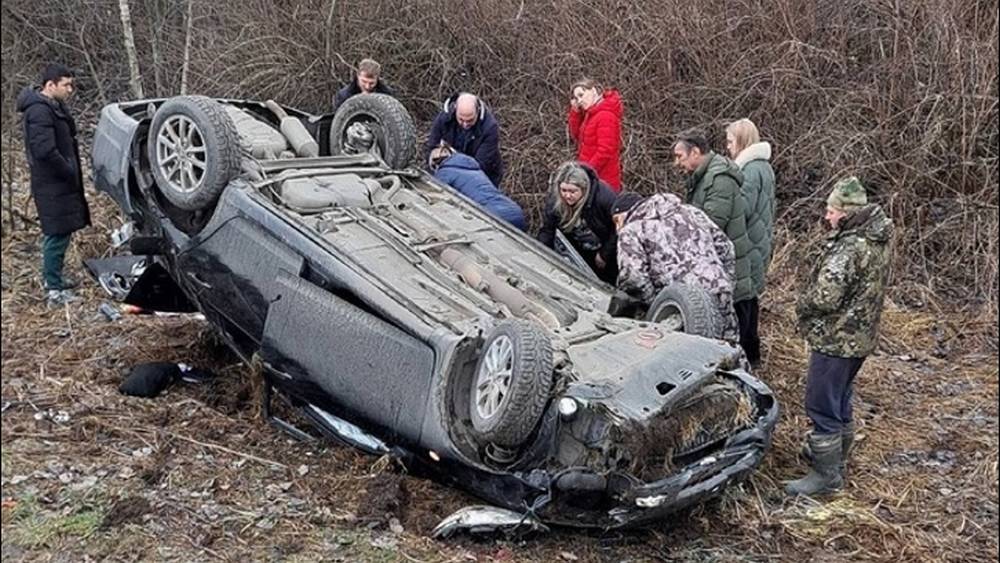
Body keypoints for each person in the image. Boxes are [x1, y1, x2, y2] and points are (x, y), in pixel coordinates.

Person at [786, 177, 893, 497]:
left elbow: (825, 297)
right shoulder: (878, 238)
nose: (827, 217)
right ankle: (838, 461)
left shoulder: (848, 248)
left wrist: (801, 305)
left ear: (846, 214)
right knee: (841, 399)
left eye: (832, 212)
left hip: (836, 338)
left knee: (820, 403)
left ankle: (826, 477)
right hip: (860, 337)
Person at [613, 192, 739, 341]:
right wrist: (725, 280)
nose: (616, 227)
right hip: (718, 289)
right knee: (726, 350)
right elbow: (725, 247)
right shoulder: (692, 212)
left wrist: (655, 305)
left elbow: (633, 277)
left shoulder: (631, 231)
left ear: (626, 213)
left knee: (686, 357)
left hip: (679, 307)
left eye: (616, 220)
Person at [16, 63, 90, 307]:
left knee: (63, 230)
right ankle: (53, 289)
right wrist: (68, 169)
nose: (70, 89)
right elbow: (44, 150)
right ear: (51, 85)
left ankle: (55, 278)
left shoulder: (52, 106)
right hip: (52, 183)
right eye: (66, 85)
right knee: (56, 233)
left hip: (59, 182)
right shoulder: (39, 111)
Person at [673, 129, 754, 336]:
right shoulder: (702, 176)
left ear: (695, 152)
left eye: (679, 156)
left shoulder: (718, 179)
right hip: (721, 261)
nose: (677, 163)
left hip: (730, 262)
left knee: (737, 318)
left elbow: (712, 223)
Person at [726, 118, 776, 366]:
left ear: (742, 142)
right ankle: (752, 353)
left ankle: (746, 354)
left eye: (730, 141)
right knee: (751, 298)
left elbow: (742, 208)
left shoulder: (749, 171)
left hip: (748, 243)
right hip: (759, 240)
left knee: (743, 300)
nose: (728, 147)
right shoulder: (763, 167)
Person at [537, 161, 618, 284]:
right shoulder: (555, 200)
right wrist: (541, 254)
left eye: (573, 191)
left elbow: (618, 227)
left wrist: (604, 254)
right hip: (576, 248)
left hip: (606, 248)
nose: (567, 196)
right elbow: (548, 229)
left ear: (584, 189)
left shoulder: (604, 197)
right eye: (564, 190)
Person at [429, 144, 527, 231]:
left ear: (436, 164)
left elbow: (437, 200)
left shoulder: (444, 172)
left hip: (494, 215)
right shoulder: (474, 169)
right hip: (515, 212)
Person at [426, 93, 504, 187]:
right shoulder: (444, 119)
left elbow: (480, 164)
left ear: (477, 111)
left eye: (470, 120)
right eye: (461, 119)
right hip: (450, 168)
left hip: (484, 174)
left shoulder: (490, 128)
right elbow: (432, 145)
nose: (465, 124)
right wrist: (434, 159)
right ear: (455, 110)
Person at [567, 78, 623, 191]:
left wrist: (587, 171)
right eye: (577, 98)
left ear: (593, 90)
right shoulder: (590, 115)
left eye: (581, 95)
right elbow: (576, 136)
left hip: (603, 181)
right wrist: (575, 112)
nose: (579, 101)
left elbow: (605, 151)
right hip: (592, 177)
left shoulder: (605, 116)